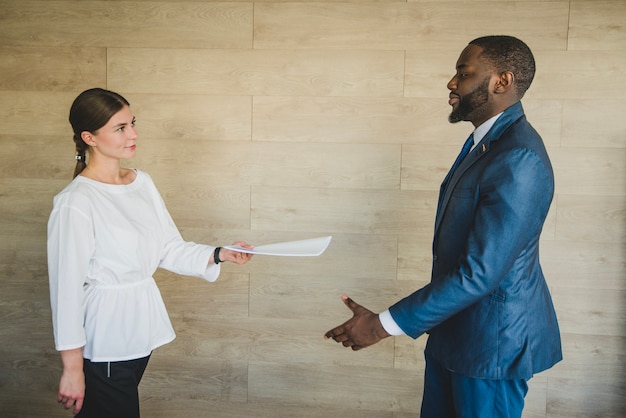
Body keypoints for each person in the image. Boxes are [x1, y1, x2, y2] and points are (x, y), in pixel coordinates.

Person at [325, 35, 562, 417]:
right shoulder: (485, 144)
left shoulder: (519, 156)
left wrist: (381, 325)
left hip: (491, 348)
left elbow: (480, 273)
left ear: (502, 81)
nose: (452, 83)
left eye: (463, 74)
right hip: (454, 335)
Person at [47, 88, 254, 417]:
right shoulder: (76, 202)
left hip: (141, 328)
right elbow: (65, 291)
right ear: (90, 137)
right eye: (120, 128)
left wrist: (219, 254)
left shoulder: (142, 183)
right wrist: (72, 369)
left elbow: (167, 247)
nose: (134, 134)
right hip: (108, 338)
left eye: (132, 123)